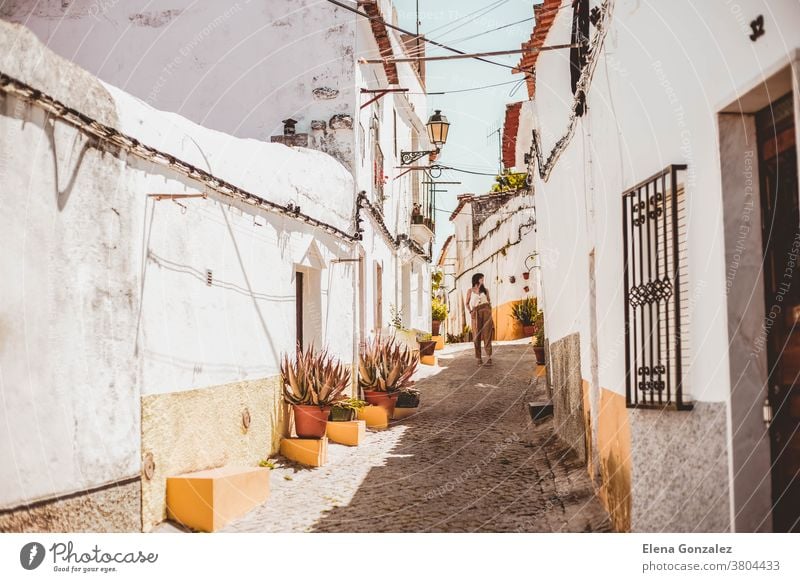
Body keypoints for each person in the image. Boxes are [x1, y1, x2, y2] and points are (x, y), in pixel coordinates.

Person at [466, 273, 494, 366]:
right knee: (476, 336)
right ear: (477, 280)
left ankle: (489, 357)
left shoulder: (485, 290)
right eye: (482, 279)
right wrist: (470, 311)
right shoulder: (470, 291)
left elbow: (489, 301)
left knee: (487, 334)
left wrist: (489, 310)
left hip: (486, 311)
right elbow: (467, 303)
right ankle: (479, 358)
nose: (483, 281)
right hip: (475, 312)